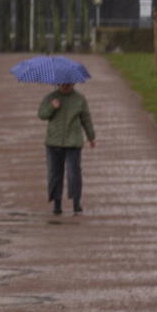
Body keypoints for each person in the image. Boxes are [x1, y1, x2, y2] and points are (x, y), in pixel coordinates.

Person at [38, 81, 95, 215]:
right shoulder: (51, 97)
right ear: (58, 83)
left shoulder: (80, 99)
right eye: (63, 84)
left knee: (73, 173)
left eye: (68, 84)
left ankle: (76, 203)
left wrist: (91, 137)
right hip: (53, 142)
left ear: (73, 84)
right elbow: (41, 114)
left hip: (73, 143)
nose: (65, 86)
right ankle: (57, 204)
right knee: (54, 174)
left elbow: (86, 118)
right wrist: (52, 107)